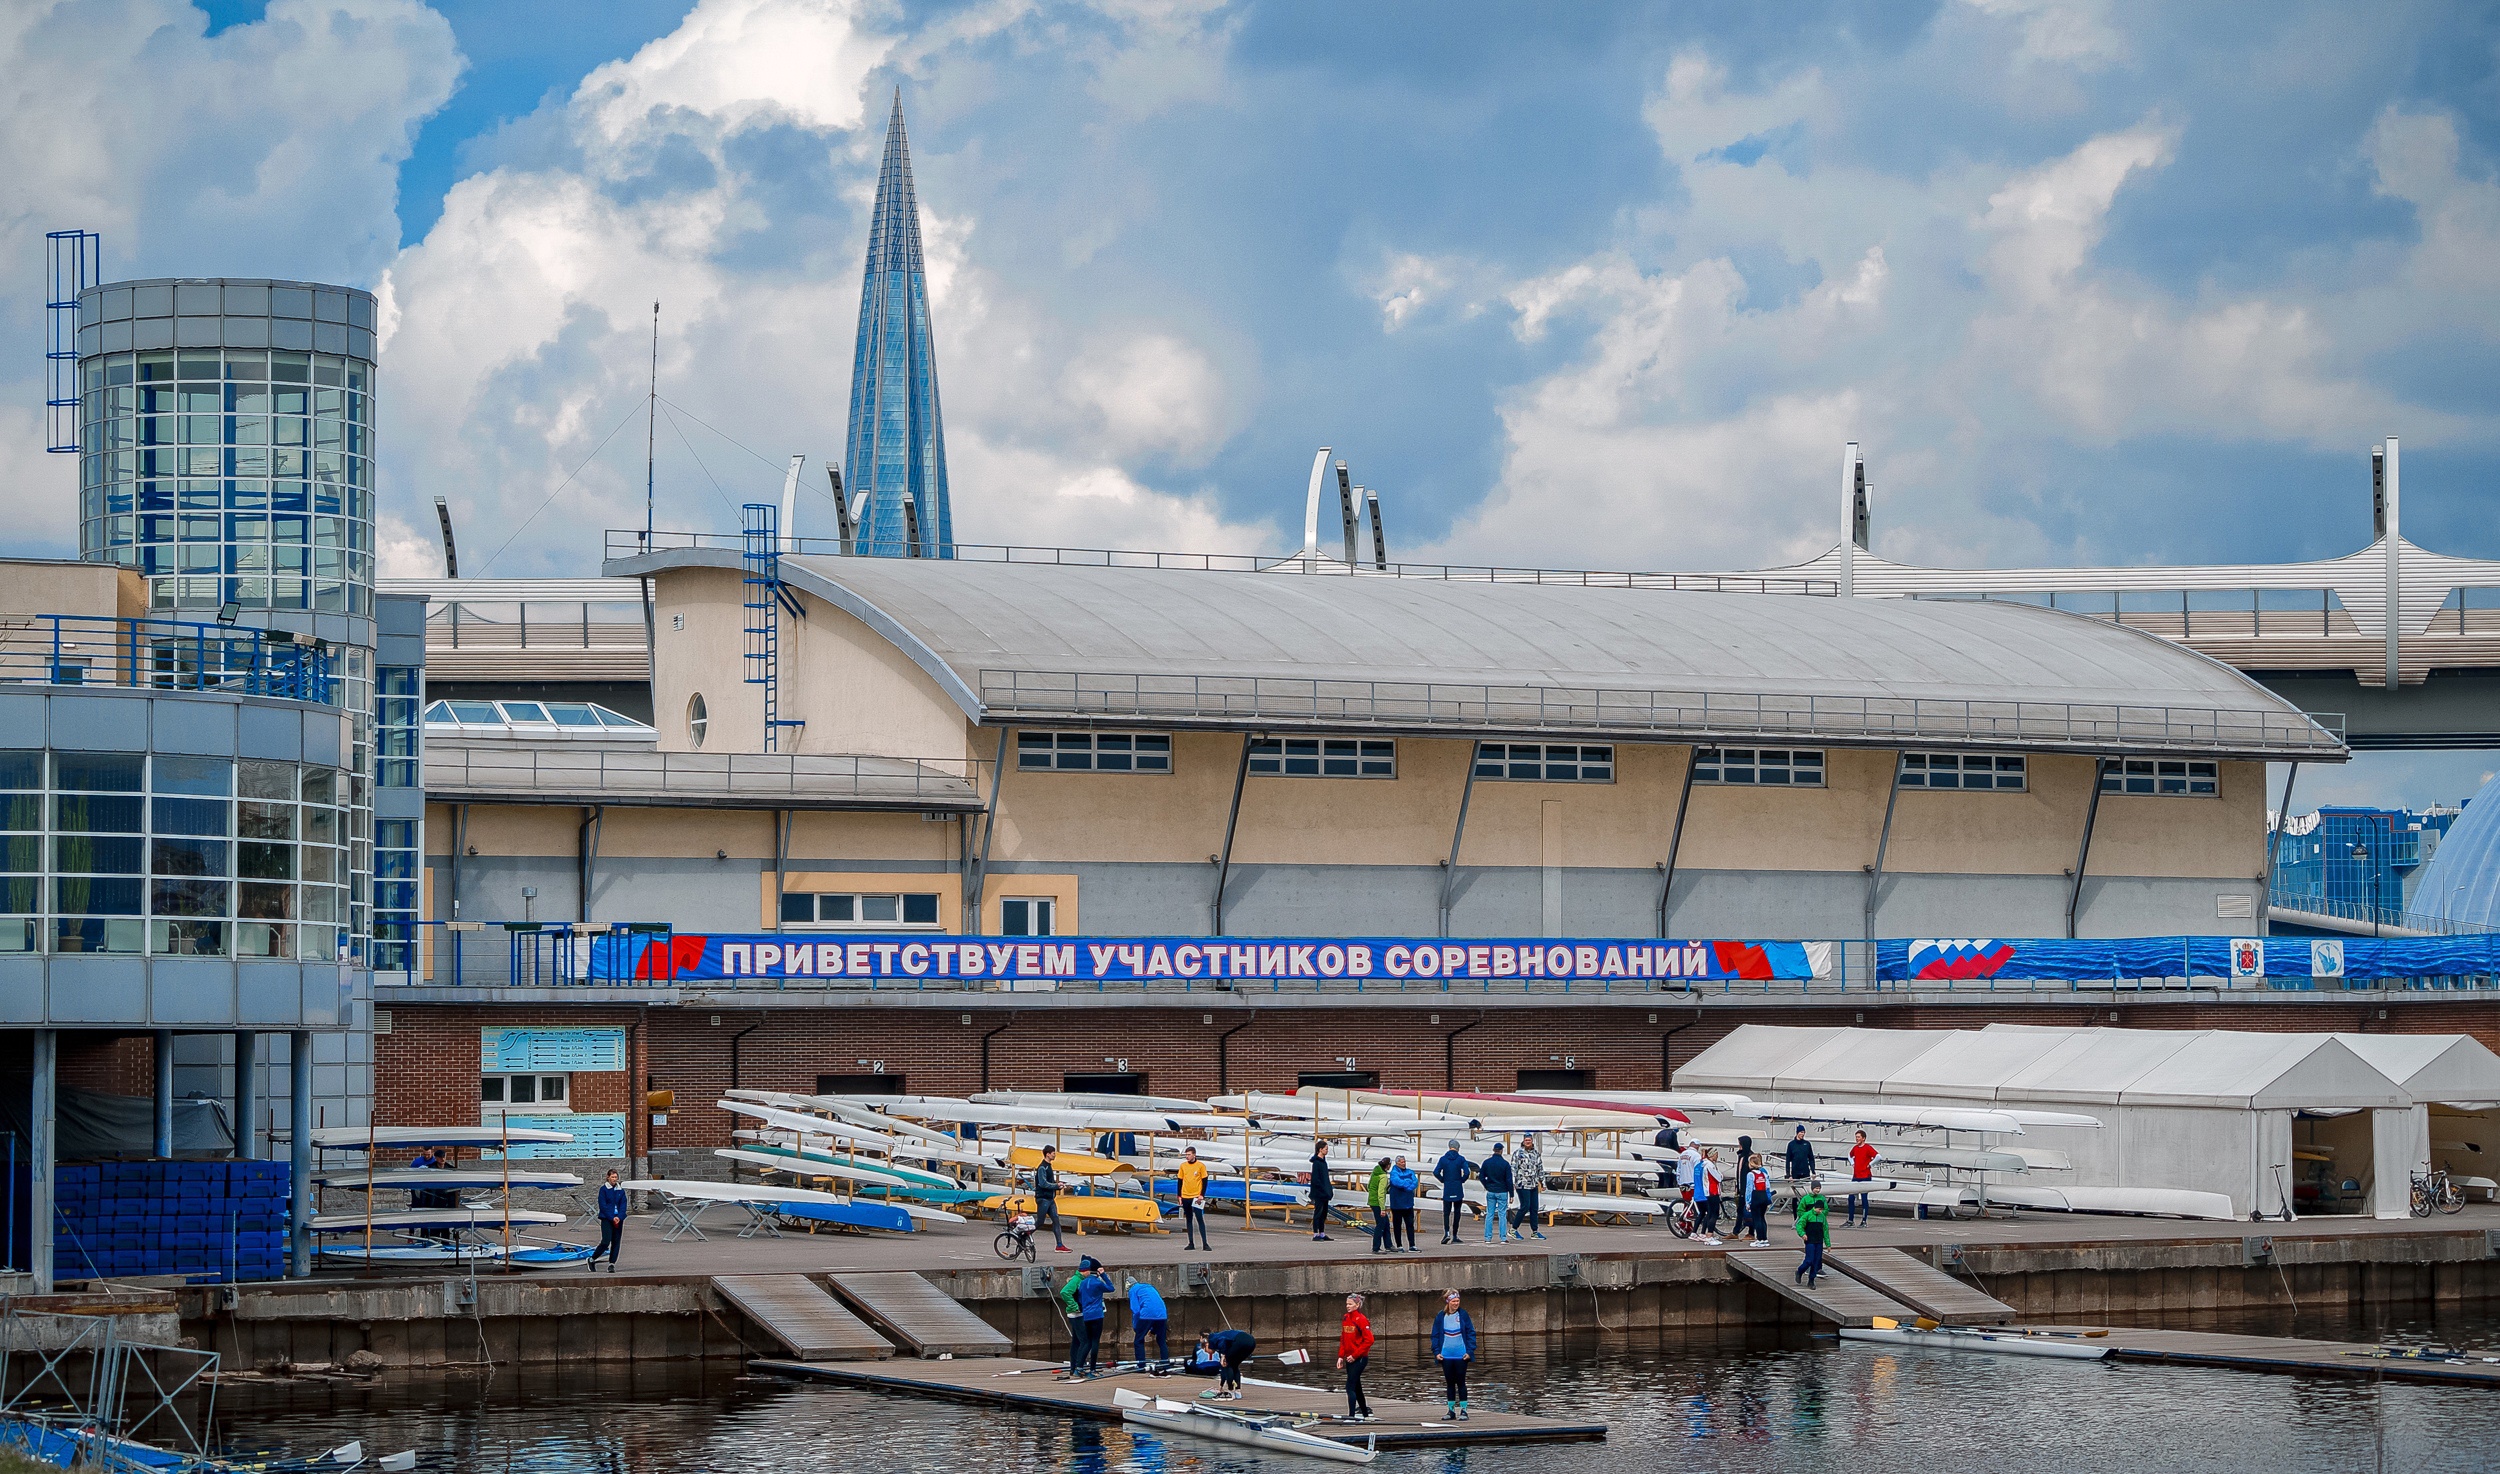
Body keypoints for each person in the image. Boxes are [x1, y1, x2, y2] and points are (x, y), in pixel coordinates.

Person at [1431, 1289, 1477, 1421]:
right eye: (1453, 1301)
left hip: (1461, 1356)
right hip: (1446, 1356)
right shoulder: (1441, 1316)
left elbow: (1470, 1333)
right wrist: (1436, 1352)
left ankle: (1464, 1410)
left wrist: (1469, 1352)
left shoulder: (1463, 1315)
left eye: (1458, 1301)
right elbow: (1435, 1336)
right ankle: (1451, 1411)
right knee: (1450, 1383)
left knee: (1461, 1382)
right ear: (1448, 1301)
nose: (1456, 1303)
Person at [1335, 1292, 1374, 1421]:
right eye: (1347, 1304)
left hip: (1360, 1358)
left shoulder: (1362, 1320)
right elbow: (1343, 1339)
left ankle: (1351, 1416)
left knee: (1349, 1387)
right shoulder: (1346, 1318)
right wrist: (1341, 1356)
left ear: (1357, 1305)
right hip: (1349, 1358)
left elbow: (1369, 1340)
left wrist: (1355, 1355)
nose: (1348, 1306)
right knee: (1357, 1387)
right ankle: (1365, 1414)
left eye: (1350, 1304)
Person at [1072, 1261, 1112, 1378]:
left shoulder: (1083, 1283)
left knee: (1087, 1342)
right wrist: (1104, 1275)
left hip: (1086, 1315)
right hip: (1097, 1315)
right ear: (1097, 1272)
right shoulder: (1098, 1283)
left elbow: (1079, 1298)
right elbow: (1111, 1288)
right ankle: (1092, 1370)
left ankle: (1078, 1367)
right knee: (1095, 1342)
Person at [1795, 1176, 1831, 1288]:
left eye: (1819, 1188)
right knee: (1809, 1260)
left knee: (1816, 1261)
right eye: (1815, 1188)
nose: (1817, 1190)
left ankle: (1811, 1280)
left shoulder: (1822, 1214)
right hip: (1809, 1237)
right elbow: (1800, 1214)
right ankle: (1800, 1271)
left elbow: (1825, 1229)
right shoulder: (1806, 1200)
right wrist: (1803, 1231)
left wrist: (1828, 1244)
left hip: (1819, 1239)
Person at [1201, 1327, 1256, 1400]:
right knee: (1234, 1365)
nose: (1207, 1352)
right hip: (1251, 1342)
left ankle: (1230, 1390)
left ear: (1207, 1345)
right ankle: (1237, 1391)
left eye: (1205, 1350)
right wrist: (1221, 1385)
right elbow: (1223, 1370)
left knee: (1228, 1364)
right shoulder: (1220, 1346)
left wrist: (1223, 1355)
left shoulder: (1212, 1339)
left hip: (1240, 1340)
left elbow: (1222, 1341)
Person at [1434, 1140, 1472, 1244]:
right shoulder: (1460, 1159)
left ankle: (1446, 1232)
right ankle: (1455, 1235)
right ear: (1457, 1147)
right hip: (1457, 1187)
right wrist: (1462, 1180)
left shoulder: (1443, 1159)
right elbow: (1467, 1172)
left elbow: (1436, 1172)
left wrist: (1443, 1179)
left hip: (1448, 1187)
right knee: (1457, 1212)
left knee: (1446, 1213)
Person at [1127, 1276, 1170, 1368]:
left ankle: (1141, 1365)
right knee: (1161, 1340)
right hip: (1162, 1314)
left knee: (1138, 1340)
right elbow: (1155, 1302)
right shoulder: (1150, 1287)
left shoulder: (1132, 1290)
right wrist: (1152, 1329)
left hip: (1146, 1314)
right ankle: (1165, 1363)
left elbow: (1136, 1310)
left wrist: (1136, 1328)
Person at [1478, 1142, 1516, 1243]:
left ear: (1493, 1150)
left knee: (1489, 1214)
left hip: (1491, 1190)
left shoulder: (1486, 1163)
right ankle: (1503, 1237)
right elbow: (1509, 1180)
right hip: (1502, 1191)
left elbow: (1481, 1176)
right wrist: (1511, 1194)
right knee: (1502, 1214)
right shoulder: (1505, 1164)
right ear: (1501, 1151)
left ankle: (1488, 1238)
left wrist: (1487, 1185)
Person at [1033, 1145, 1068, 1252]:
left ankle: (1059, 1245)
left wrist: (1058, 1184)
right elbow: (1043, 1183)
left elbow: (1050, 1182)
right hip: (1043, 1198)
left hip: (1050, 1199)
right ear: (1047, 1154)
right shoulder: (1042, 1167)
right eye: (1053, 1153)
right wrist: (1056, 1186)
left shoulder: (1049, 1166)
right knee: (1040, 1222)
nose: (1054, 1155)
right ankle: (1025, 1234)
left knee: (1056, 1220)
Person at [1177, 1145, 1212, 1251]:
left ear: (1194, 1155)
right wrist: (1179, 1195)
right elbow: (1180, 1181)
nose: (1187, 1157)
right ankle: (1191, 1242)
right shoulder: (1183, 1166)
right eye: (1186, 1155)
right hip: (1185, 1195)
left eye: (1189, 1154)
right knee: (1189, 1219)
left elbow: (1205, 1181)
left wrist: (1202, 1195)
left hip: (1196, 1197)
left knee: (1199, 1218)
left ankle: (1205, 1243)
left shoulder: (1200, 1166)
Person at [593, 1168, 627, 1272]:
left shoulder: (620, 1190)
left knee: (616, 1242)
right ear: (608, 1177)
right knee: (605, 1241)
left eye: (616, 1177)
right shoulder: (604, 1190)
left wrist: (619, 1217)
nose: (614, 1179)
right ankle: (592, 1258)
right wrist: (611, 1217)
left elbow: (623, 1205)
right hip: (607, 1219)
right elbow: (603, 1205)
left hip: (618, 1219)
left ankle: (612, 1264)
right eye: (612, 1177)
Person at [1515, 1135, 1547, 1241]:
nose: (1527, 1142)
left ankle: (1535, 1231)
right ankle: (1513, 1229)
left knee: (1534, 1208)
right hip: (1522, 1184)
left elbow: (1540, 1168)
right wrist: (1513, 1183)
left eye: (1529, 1140)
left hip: (1533, 1184)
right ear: (1523, 1141)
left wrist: (1543, 1182)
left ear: (1532, 1141)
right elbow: (1513, 1168)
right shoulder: (1518, 1153)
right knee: (1525, 1206)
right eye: (1526, 1140)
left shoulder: (1536, 1154)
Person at [1845, 1130, 1878, 1227]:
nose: (1857, 1139)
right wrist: (1852, 1163)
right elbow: (1849, 1155)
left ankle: (1864, 1220)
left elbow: (1878, 1156)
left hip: (1865, 1176)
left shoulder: (1867, 1148)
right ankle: (1850, 1220)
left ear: (1863, 1138)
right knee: (1851, 1198)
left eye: (1858, 1137)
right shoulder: (1855, 1148)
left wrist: (1870, 1164)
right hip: (1856, 1176)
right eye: (1856, 1137)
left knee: (1864, 1199)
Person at [1387, 1156, 1419, 1252]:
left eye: (1404, 1161)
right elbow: (1396, 1182)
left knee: (1410, 1225)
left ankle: (1412, 1245)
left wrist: (1408, 1186)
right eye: (1401, 1162)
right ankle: (1399, 1245)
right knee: (1397, 1225)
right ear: (1397, 1163)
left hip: (1408, 1203)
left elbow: (1415, 1182)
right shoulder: (1394, 1173)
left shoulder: (1410, 1171)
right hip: (1397, 1204)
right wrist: (1407, 1183)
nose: (1403, 1163)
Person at [1785, 1125, 1817, 1221]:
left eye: (1803, 1132)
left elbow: (1811, 1158)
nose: (1802, 1134)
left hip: (1805, 1172)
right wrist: (1788, 1174)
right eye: (1801, 1132)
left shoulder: (1807, 1144)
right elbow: (1787, 1160)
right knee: (1795, 1197)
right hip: (1795, 1172)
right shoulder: (1791, 1145)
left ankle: (1807, 1216)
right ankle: (1796, 1217)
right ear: (1797, 1133)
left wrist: (1813, 1171)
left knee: (1807, 1195)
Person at [1307, 1140, 1335, 1241]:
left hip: (1325, 1192)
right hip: (1319, 1192)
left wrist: (1329, 1189)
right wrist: (1322, 1189)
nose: (1327, 1151)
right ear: (1320, 1149)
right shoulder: (1317, 1163)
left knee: (1324, 1213)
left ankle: (1322, 1233)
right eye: (1326, 1149)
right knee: (1318, 1212)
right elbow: (1316, 1179)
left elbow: (1325, 1178)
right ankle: (1315, 1233)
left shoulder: (1324, 1162)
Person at [1744, 1153, 1774, 1248]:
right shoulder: (1764, 1174)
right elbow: (1767, 1187)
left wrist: (1747, 1202)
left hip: (1755, 1196)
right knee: (1762, 1218)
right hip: (1763, 1196)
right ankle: (1764, 1238)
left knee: (1756, 1219)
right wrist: (1769, 1199)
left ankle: (1759, 1239)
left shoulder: (1750, 1175)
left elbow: (1749, 1189)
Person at [1695, 1148, 1724, 1244]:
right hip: (1712, 1191)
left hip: (1708, 1191)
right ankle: (1709, 1235)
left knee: (1711, 1213)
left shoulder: (1704, 1164)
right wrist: (1720, 1174)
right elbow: (1718, 1177)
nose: (1717, 1156)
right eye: (1716, 1154)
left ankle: (1708, 1234)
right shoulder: (1710, 1165)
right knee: (1713, 1214)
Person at [1366, 1158, 1393, 1254]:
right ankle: (1376, 1247)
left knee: (1385, 1223)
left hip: (1372, 1200)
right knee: (1380, 1224)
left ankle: (1388, 1245)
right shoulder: (1383, 1176)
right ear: (1388, 1165)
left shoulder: (1375, 1172)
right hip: (1378, 1202)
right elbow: (1381, 1193)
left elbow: (1368, 1186)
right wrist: (1383, 1208)